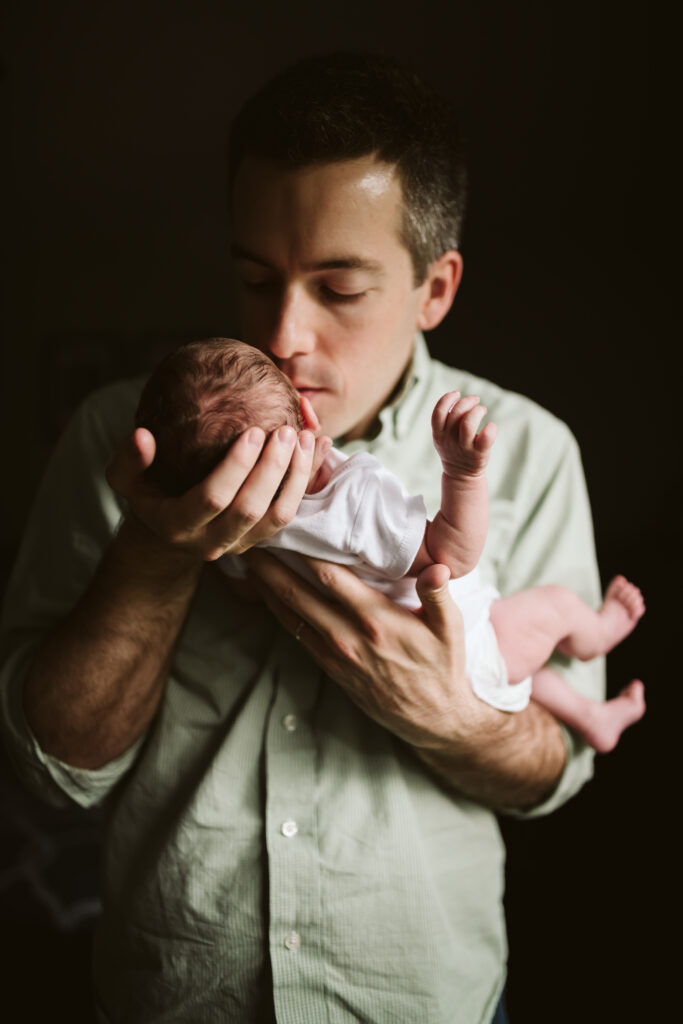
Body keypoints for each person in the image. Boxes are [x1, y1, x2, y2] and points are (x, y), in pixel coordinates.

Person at [0, 52, 617, 1023]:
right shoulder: (129, 444)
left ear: (434, 287)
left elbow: (552, 767)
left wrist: (448, 713)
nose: (284, 331)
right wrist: (155, 555)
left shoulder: (529, 451)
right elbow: (55, 764)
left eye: (337, 288)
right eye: (254, 278)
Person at [138, 336, 646, 752]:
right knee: (552, 608)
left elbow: (248, 591)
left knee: (521, 669)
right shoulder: (353, 497)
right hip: (457, 653)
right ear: (308, 420)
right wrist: (463, 474)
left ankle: (590, 716)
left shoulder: (237, 530)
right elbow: (450, 560)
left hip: (441, 661)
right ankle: (595, 633)